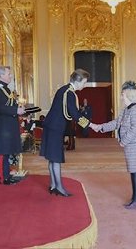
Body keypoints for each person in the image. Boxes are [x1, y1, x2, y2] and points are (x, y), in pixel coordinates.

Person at [93, 81, 136, 210]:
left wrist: (124, 141)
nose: (121, 97)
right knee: (133, 172)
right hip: (132, 146)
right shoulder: (127, 110)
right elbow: (116, 123)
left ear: (129, 94)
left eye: (122, 94)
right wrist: (100, 127)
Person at [40, 69, 94, 197]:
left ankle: (53, 185)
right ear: (78, 81)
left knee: (52, 158)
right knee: (56, 158)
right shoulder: (69, 93)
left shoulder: (63, 89)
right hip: (55, 128)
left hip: (51, 126)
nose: (84, 85)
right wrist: (90, 124)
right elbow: (74, 113)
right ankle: (59, 187)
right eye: (84, 82)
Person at [0, 66, 25, 185]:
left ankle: (7, 175)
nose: (10, 76)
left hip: (9, 126)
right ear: (1, 76)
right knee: (3, 152)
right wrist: (15, 111)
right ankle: (3, 177)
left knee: (7, 152)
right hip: (3, 127)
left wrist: (18, 109)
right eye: (8, 74)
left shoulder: (6, 89)